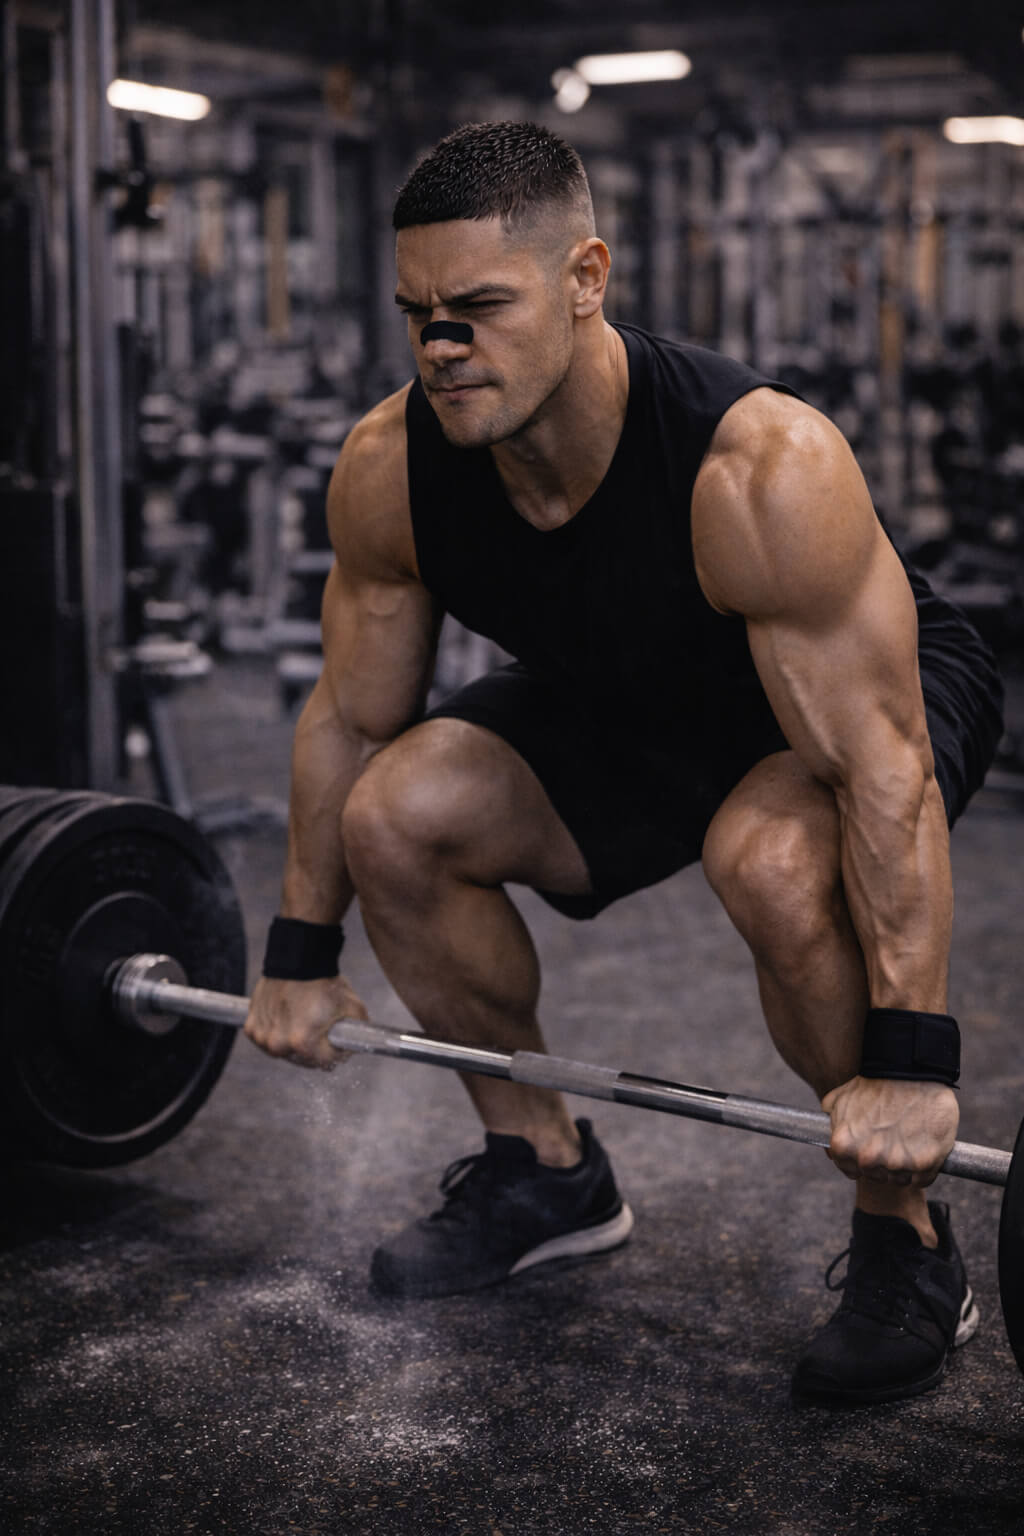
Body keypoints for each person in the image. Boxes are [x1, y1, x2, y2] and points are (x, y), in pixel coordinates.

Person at [244, 121, 1004, 1404]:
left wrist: (917, 1065)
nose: (441, 348)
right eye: (418, 313)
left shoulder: (758, 463)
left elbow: (883, 772)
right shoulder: (392, 468)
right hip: (633, 697)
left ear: (585, 277)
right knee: (399, 814)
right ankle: (544, 1171)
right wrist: (300, 959)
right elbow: (346, 716)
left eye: (479, 308)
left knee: (765, 858)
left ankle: (905, 1238)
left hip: (858, 702)